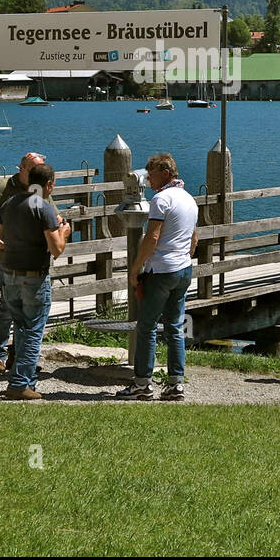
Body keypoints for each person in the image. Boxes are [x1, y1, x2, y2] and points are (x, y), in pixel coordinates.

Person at [0, 163, 71, 400]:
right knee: (32, 330)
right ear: (49, 184)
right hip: (33, 277)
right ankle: (20, 384)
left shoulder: (9, 204)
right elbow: (56, 249)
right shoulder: (43, 207)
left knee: (21, 327)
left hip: (8, 274)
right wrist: (65, 232)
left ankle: (26, 380)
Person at [117, 153, 198, 401]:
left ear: (165, 173)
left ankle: (142, 383)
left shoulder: (161, 200)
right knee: (175, 327)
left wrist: (135, 269)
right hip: (183, 268)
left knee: (147, 326)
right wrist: (184, 256)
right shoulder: (189, 199)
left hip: (161, 270)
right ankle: (176, 384)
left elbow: (151, 237)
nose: (148, 180)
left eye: (151, 175)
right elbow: (194, 237)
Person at [0, 152, 47, 376]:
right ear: (22, 168)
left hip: (32, 261)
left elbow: (49, 214)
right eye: (33, 170)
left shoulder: (38, 188)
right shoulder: (4, 187)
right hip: (7, 260)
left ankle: (20, 356)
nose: (37, 175)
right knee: (7, 309)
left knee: (27, 312)